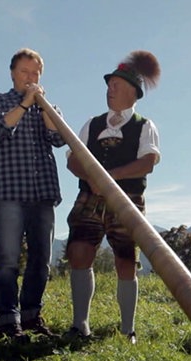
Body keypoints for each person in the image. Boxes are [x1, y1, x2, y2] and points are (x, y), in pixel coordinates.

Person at [65, 50, 161, 344]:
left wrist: (110, 178)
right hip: (89, 198)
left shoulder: (145, 125)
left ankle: (127, 328)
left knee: (125, 261)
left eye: (116, 85)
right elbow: (72, 159)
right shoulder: (92, 124)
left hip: (127, 200)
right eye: (109, 85)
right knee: (79, 253)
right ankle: (80, 324)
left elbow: (148, 162)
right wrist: (92, 178)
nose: (110, 89)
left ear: (133, 92)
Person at [0, 48, 65, 340]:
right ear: (12, 73)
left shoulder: (48, 108)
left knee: (41, 259)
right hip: (8, 193)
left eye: (35, 73)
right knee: (7, 258)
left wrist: (43, 109)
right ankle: (7, 319)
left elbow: (57, 139)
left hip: (42, 193)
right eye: (25, 72)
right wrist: (26, 104)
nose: (31, 78)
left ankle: (31, 316)